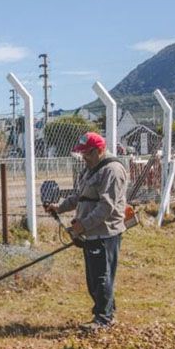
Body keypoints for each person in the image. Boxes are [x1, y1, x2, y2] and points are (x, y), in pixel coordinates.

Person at [44, 132, 128, 333]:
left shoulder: (112, 171)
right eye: (81, 153)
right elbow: (79, 196)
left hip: (105, 233)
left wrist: (84, 225)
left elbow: (106, 207)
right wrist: (60, 207)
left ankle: (103, 319)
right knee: (93, 279)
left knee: (101, 277)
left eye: (87, 153)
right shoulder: (90, 169)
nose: (83, 157)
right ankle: (106, 312)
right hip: (91, 232)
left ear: (99, 150)